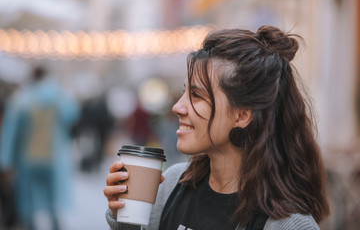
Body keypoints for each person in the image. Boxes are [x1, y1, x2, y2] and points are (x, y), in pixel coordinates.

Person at [103, 25, 330, 230]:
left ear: (241, 115)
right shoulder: (170, 185)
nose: (177, 107)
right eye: (184, 92)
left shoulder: (288, 225)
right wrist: (123, 216)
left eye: (197, 95)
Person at [0, 66, 80, 230]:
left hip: (27, 158)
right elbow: (73, 114)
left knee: (27, 201)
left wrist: (6, 161)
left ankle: (31, 226)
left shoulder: (21, 99)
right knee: (52, 201)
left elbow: (10, 132)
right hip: (51, 158)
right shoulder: (57, 96)